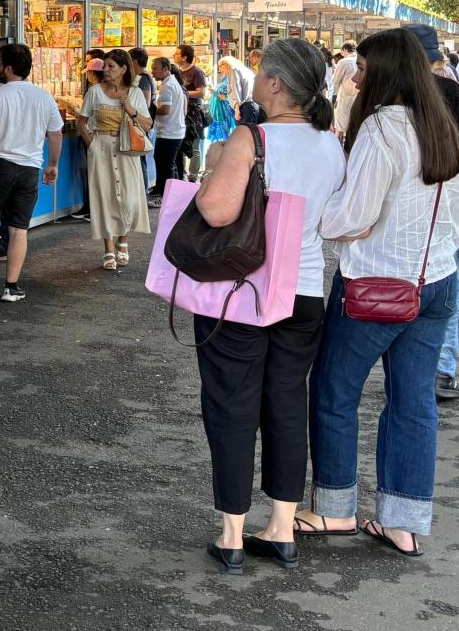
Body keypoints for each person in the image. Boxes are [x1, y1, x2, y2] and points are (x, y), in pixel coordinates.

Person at [302, 28, 459, 556]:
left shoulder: (380, 128)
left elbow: (352, 217)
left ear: (387, 71)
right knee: (414, 402)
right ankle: (403, 522)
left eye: (366, 67)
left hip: (374, 284)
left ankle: (334, 510)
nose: (358, 74)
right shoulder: (439, 121)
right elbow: (458, 222)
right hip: (436, 281)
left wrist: (315, 215)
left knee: (333, 392)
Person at [191, 38, 346, 575]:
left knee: (232, 406)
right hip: (302, 292)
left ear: (276, 84)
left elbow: (214, 210)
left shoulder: (250, 138)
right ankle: (282, 526)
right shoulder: (331, 145)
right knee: (286, 404)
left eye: (260, 74)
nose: (254, 82)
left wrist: (213, 165)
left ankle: (232, 533)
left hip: (241, 293)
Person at [405, 24, 459, 403]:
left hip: (400, 212)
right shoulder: (450, 92)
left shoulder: (392, 96)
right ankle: (441, 371)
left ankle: (408, 368)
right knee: (445, 287)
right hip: (444, 211)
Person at [0, 43, 63, 301]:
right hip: (29, 168)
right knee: (19, 229)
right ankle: (11, 286)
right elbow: (55, 133)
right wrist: (53, 164)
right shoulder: (44, 97)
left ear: (8, 68)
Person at [78, 49, 154, 270]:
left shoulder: (135, 94)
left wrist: (129, 109)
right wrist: (91, 143)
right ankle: (109, 248)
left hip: (126, 150)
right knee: (105, 198)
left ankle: (124, 240)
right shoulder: (94, 92)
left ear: (123, 69)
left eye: (111, 66)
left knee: (128, 198)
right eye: (105, 66)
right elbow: (82, 121)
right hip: (100, 147)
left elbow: (147, 125)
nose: (106, 70)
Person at [149, 57, 187, 197]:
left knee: (165, 164)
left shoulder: (167, 85)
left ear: (165, 69)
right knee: (165, 162)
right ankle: (162, 189)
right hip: (172, 130)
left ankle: (165, 193)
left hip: (169, 132)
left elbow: (165, 110)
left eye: (155, 68)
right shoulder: (171, 82)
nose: (152, 72)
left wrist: (150, 109)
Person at [128, 46, 158, 198]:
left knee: (140, 161)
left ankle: (143, 194)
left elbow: (145, 104)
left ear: (133, 62)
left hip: (140, 125)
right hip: (138, 123)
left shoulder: (143, 78)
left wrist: (131, 110)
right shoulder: (143, 78)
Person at [175, 43, 209, 177]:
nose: (174, 56)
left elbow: (201, 93)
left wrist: (184, 93)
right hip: (180, 112)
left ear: (184, 57)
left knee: (194, 147)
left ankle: (193, 176)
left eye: (177, 54)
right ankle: (181, 174)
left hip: (193, 114)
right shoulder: (177, 72)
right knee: (181, 146)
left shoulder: (197, 72)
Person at [331, 41, 360, 139]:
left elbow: (335, 80)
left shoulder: (344, 62)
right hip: (359, 96)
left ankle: (337, 147)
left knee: (340, 125)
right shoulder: (362, 59)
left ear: (345, 50)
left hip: (345, 96)